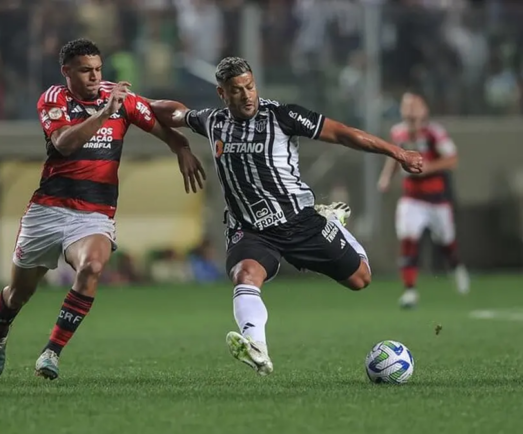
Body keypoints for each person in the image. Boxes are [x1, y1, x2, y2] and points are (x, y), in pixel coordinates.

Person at [149, 57, 423, 376]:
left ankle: (331, 222)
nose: (247, 95)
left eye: (250, 86)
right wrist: (132, 103)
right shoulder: (212, 121)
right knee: (245, 274)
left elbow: (344, 134)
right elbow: (174, 113)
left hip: (300, 222)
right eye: (237, 91)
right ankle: (256, 347)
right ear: (222, 94)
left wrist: (398, 153)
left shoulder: (282, 116)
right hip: (250, 230)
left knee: (361, 279)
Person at [0, 38, 205, 380]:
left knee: (93, 266)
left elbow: (156, 113)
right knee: (18, 294)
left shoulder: (116, 98)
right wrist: (106, 113)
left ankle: (51, 352)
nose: (94, 76)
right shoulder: (54, 99)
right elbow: (64, 143)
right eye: (86, 70)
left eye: (98, 69)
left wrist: (181, 144)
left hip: (94, 213)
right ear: (67, 71)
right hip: (48, 209)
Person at [378, 92, 469, 309]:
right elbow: (394, 156)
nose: (410, 110)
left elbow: (452, 159)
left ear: (424, 109)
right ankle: (410, 291)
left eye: (414, 105)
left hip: (437, 200)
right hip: (412, 198)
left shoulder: (434, 133)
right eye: (406, 106)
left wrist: (430, 167)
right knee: (408, 241)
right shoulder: (398, 132)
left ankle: (456, 268)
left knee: (447, 243)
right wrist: (385, 178)